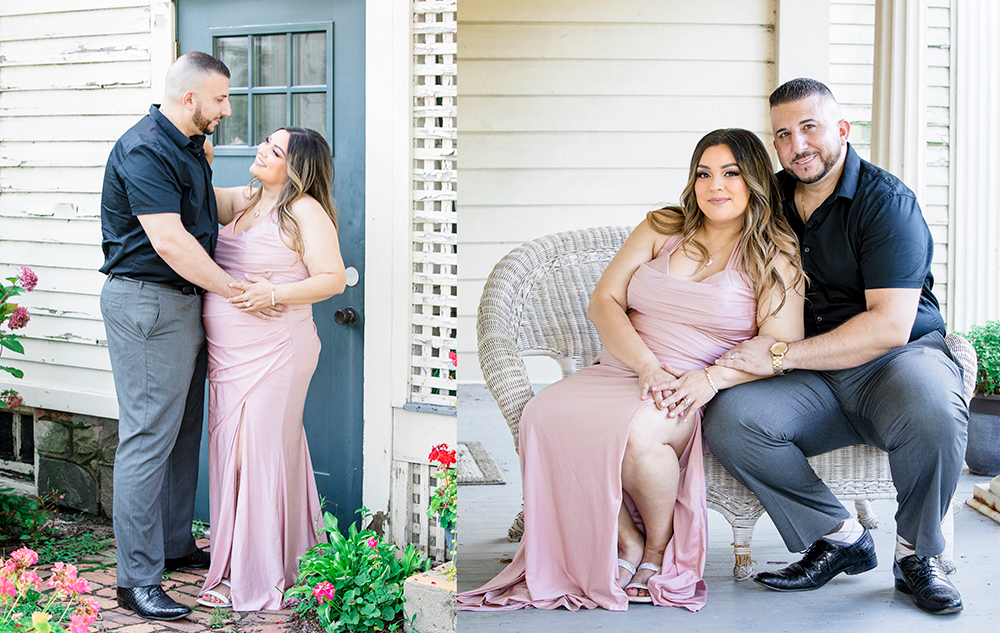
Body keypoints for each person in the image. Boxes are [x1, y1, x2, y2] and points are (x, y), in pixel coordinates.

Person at [459, 128, 805, 611]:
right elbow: (604, 301)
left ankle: (658, 551)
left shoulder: (774, 254)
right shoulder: (664, 227)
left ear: (754, 180)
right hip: (624, 368)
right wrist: (645, 365)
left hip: (691, 383)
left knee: (640, 437)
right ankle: (626, 541)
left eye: (731, 173)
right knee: (541, 416)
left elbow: (779, 345)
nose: (715, 186)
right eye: (703, 174)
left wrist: (710, 380)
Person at [707, 78, 968, 615]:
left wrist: (779, 356)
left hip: (894, 363)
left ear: (842, 131)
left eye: (810, 127)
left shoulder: (885, 203)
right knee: (731, 418)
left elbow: (889, 327)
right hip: (813, 377)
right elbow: (706, 234)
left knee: (934, 407)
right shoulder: (769, 199)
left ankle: (918, 555)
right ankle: (841, 537)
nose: (798, 145)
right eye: (783, 134)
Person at [99, 52, 267, 621]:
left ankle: (173, 545)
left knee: (182, 433)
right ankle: (136, 580)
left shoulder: (192, 146)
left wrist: (271, 199)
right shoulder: (146, 147)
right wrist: (233, 289)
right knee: (148, 439)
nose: (227, 108)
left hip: (186, 303)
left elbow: (203, 210)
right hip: (148, 305)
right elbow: (170, 242)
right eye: (220, 98)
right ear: (189, 97)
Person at [196, 127, 346, 611]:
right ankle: (245, 563)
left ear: (296, 168)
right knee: (230, 453)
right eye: (266, 141)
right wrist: (196, 149)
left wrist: (274, 294)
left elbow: (333, 279)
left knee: (253, 456)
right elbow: (189, 188)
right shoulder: (246, 200)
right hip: (228, 357)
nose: (262, 150)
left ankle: (259, 572)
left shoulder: (303, 210)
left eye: (275, 150)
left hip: (277, 348)